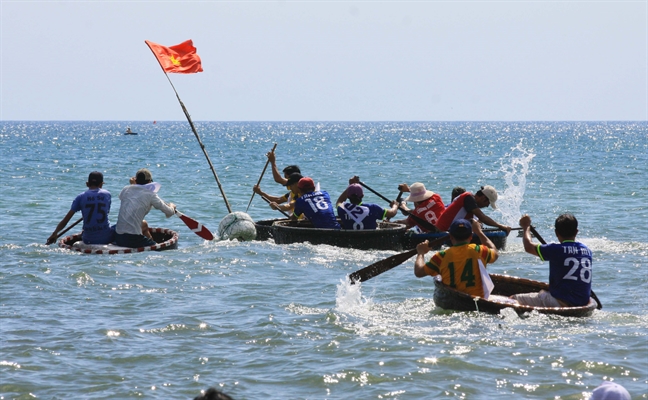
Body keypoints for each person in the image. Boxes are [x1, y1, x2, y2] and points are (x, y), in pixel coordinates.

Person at [511, 213, 593, 307]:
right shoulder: (587, 251)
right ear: (576, 232)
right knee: (543, 292)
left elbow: (528, 246)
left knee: (513, 298)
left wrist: (526, 227)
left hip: (561, 302)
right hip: (582, 301)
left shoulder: (555, 249)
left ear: (556, 233)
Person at [414, 219, 499, 298]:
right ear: (471, 236)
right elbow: (495, 254)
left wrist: (420, 253)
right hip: (477, 299)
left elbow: (418, 272)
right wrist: (479, 232)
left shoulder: (441, 256)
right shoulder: (479, 250)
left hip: (452, 299)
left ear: (451, 237)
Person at [47, 171, 115, 245]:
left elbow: (66, 220)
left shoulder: (80, 197)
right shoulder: (107, 194)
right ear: (101, 184)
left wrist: (55, 233)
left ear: (87, 184)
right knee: (116, 227)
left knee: (85, 231)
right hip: (107, 238)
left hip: (88, 239)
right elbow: (106, 212)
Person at [114, 168, 176, 248]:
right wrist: (172, 206)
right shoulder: (151, 195)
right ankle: (153, 244)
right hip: (132, 238)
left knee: (144, 224)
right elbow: (170, 212)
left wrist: (133, 185)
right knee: (158, 248)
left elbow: (129, 198)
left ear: (136, 180)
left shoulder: (126, 189)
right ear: (150, 181)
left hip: (118, 236)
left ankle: (151, 241)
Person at [435, 185, 512, 235]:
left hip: (446, 232)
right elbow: (482, 217)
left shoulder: (470, 202)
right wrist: (500, 226)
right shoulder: (468, 198)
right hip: (442, 233)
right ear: (483, 198)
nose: (487, 206)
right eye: (488, 203)